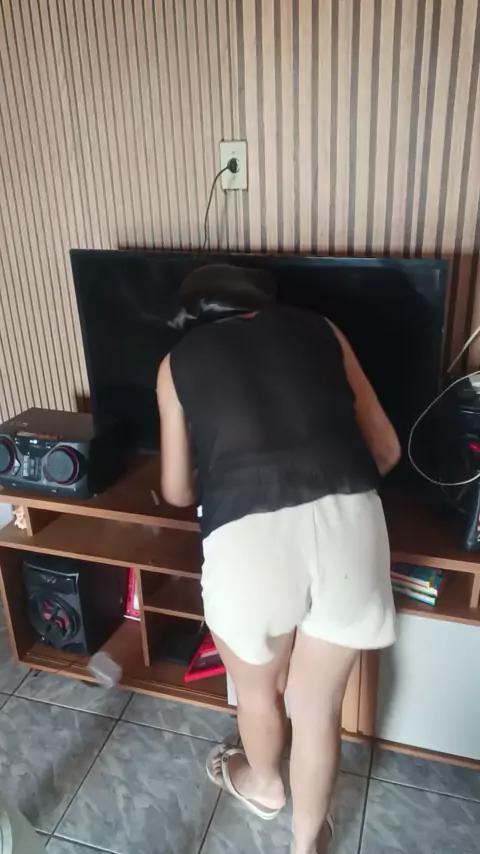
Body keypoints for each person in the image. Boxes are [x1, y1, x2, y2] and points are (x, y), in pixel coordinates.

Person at [156, 264, 398, 854]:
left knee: (258, 691)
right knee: (318, 707)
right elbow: (388, 451)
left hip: (249, 538)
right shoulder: (323, 328)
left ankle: (264, 786)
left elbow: (178, 491)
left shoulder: (177, 363)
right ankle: (306, 843)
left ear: (191, 317)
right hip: (350, 523)